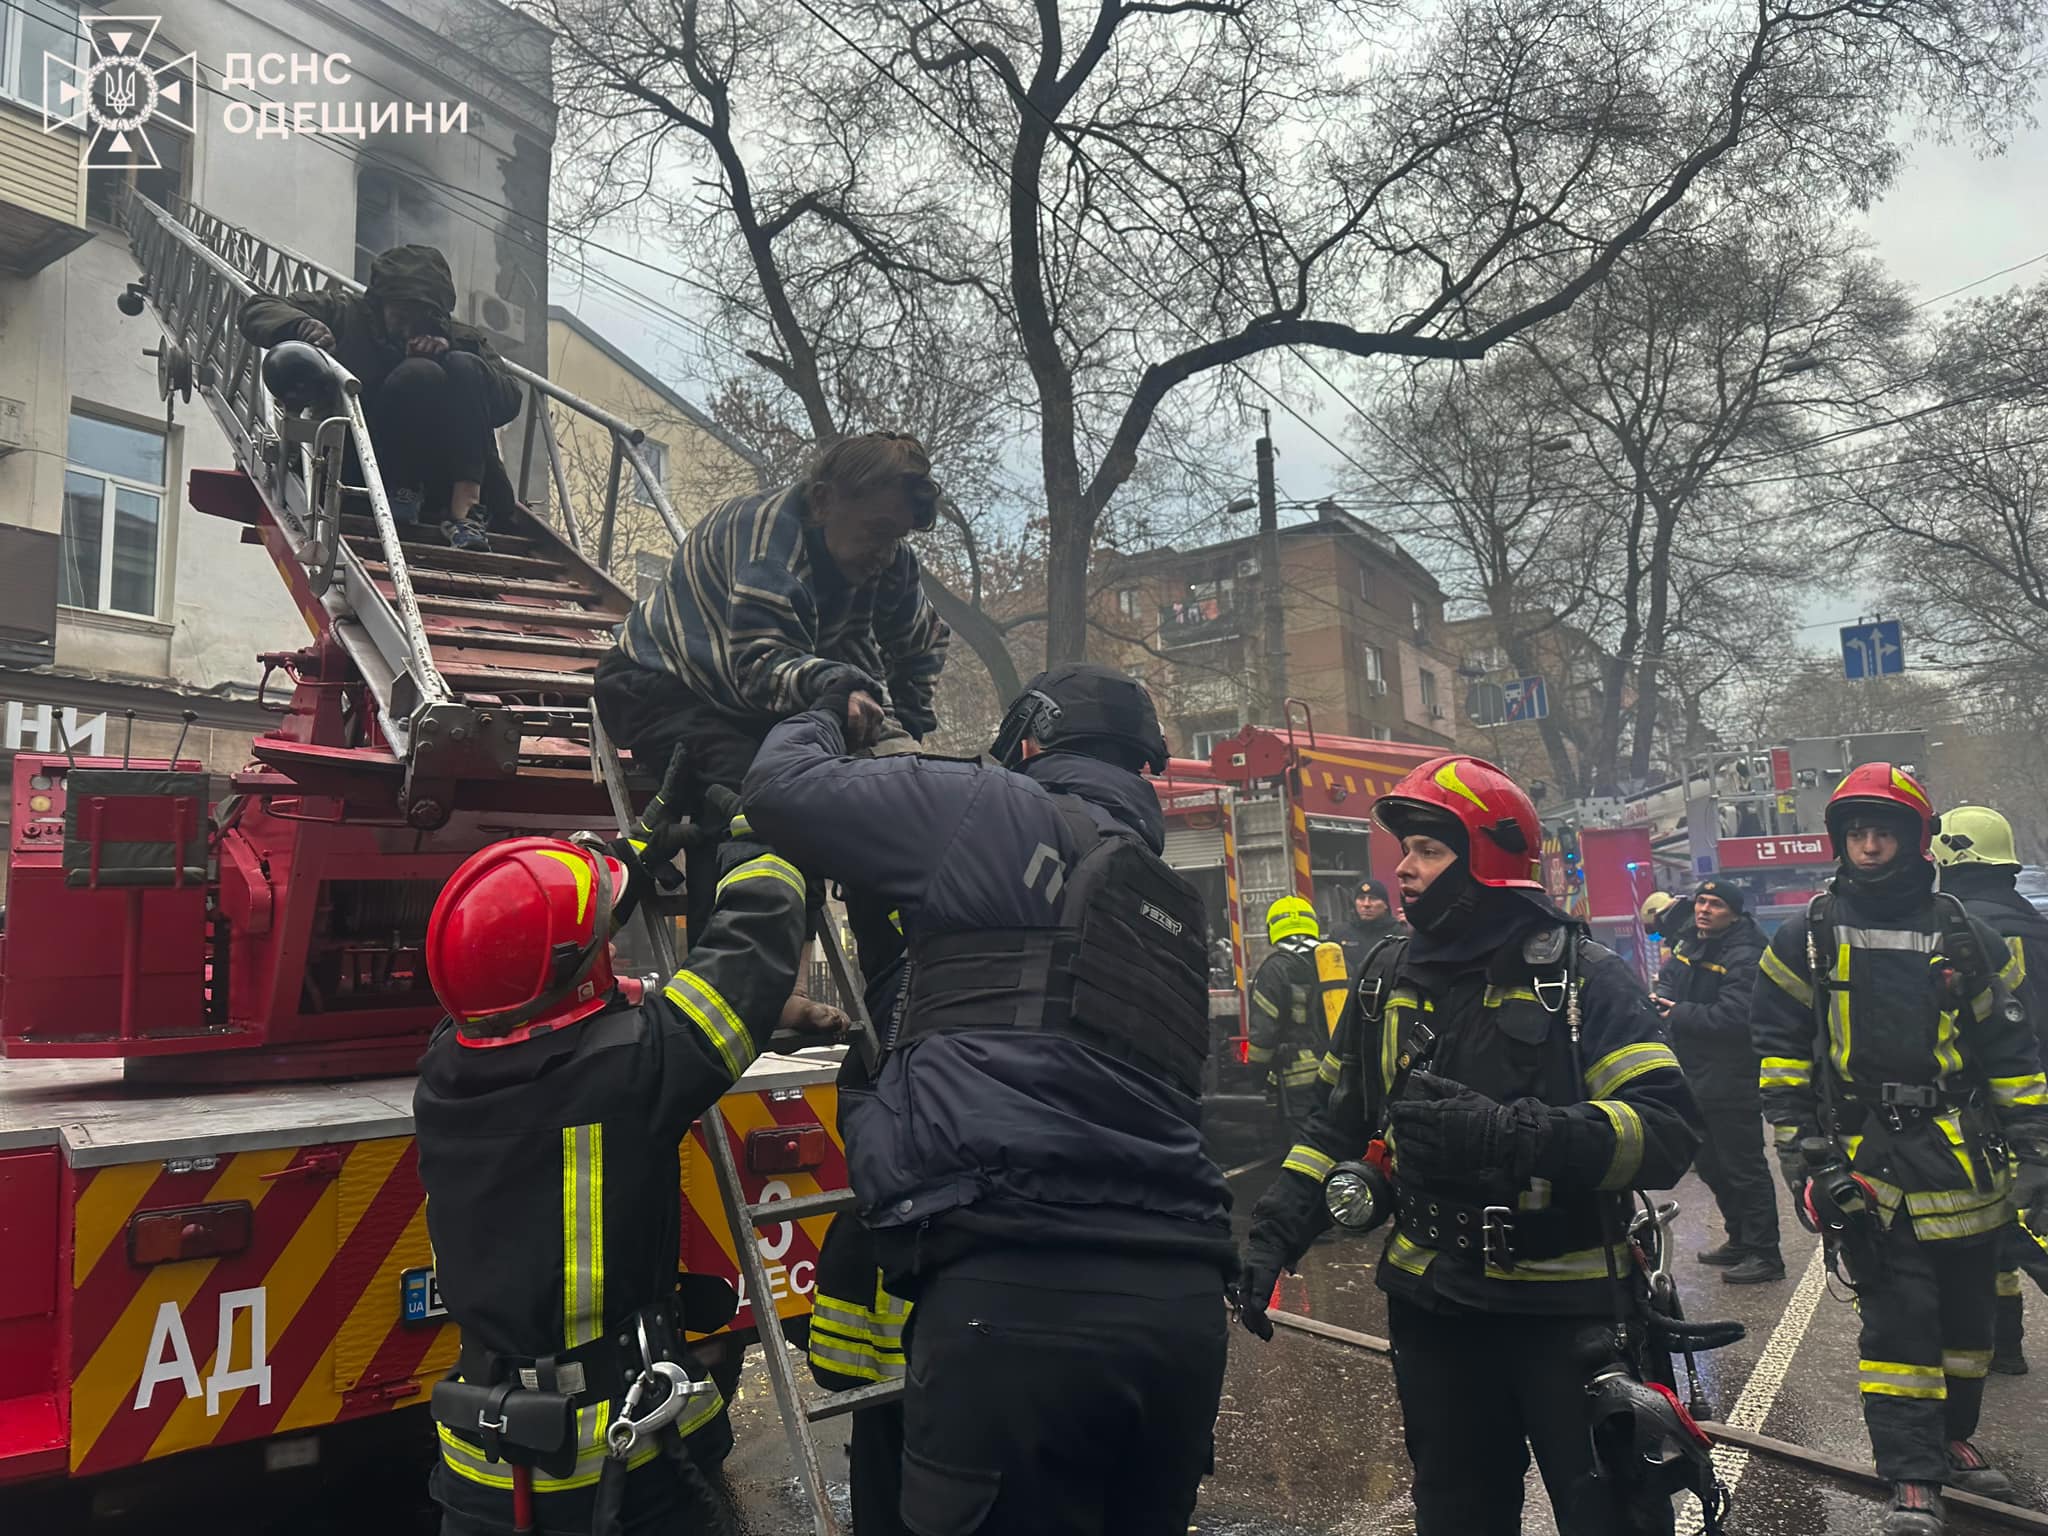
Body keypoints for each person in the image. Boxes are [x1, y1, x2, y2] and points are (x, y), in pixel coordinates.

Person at [743, 662, 1234, 1536]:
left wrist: (824, 709)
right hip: (1181, 1314)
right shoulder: (1164, 901)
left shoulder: (992, 806)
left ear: (1030, 740)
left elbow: (783, 792)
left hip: (1018, 1298)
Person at [1241, 754, 1701, 1536]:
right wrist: (1273, 1232)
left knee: (1611, 1519)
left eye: (1428, 850)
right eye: (1404, 852)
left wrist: (1513, 1134)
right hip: (1436, 1308)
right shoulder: (1385, 976)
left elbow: (1665, 1132)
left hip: (1570, 1313)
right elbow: (1336, 1123)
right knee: (1456, 1514)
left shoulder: (1583, 978)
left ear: (1487, 858)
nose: (1404, 871)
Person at [413, 819, 838, 1535]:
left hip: (481, 1471)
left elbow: (547, 968)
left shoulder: (446, 1065)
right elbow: (748, 958)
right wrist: (754, 833)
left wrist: (635, 845)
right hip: (622, 1473)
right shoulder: (626, 1073)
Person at [1751, 765, 2048, 1535]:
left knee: (1967, 1329)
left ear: (1915, 839)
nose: (1870, 845)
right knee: (1898, 1327)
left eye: (1884, 831)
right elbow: (1780, 1061)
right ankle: (1912, 1478)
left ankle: (1952, 1437)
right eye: (1857, 832)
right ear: (1840, 839)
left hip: (1962, 1163)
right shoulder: (1806, 934)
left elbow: (2012, 1053)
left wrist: (2036, 1150)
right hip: (1865, 1167)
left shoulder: (1966, 935)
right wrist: (1806, 1163)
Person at [592, 431, 950, 957]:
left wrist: (908, 730)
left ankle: (839, 974)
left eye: (896, 537)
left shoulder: (888, 560)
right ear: (825, 499)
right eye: (877, 531)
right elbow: (760, 667)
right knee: (757, 791)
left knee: (870, 787)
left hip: (760, 692)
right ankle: (736, 970)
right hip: (658, 684)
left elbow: (923, 643)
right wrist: (839, 686)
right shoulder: (766, 543)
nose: (884, 552)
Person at [239, 244, 518, 551]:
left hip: (442, 477)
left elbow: (509, 401)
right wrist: (302, 326)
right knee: (418, 374)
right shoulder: (343, 313)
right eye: (402, 311)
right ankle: (402, 494)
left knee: (459, 366)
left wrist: (451, 359)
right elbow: (258, 308)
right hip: (356, 469)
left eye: (423, 314)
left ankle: (466, 511)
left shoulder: (461, 339)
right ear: (380, 302)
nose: (410, 324)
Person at [1932, 806, 2048, 1375]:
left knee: (2013, 1226)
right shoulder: (2036, 925)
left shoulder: (1959, 935)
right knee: (2000, 1231)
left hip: (1997, 1107)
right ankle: (2005, 1346)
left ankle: (2004, 1342)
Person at [1655, 879, 1782, 1284]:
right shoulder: (1689, 942)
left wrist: (1678, 1013)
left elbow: (1735, 1017)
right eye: (1701, 901)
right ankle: (1740, 1239)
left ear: (1735, 913)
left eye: (1715, 904)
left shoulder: (1746, 954)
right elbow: (1667, 985)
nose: (1704, 909)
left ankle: (1766, 1254)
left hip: (1731, 1076)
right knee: (1709, 1163)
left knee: (1743, 1167)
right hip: (1693, 1074)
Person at [1249, 896, 1332, 1123]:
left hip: (1299, 1079)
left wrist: (1255, 1077)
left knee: (1305, 1146)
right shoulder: (1334, 961)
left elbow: (1264, 1033)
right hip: (1339, 1071)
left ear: (1272, 929)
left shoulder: (1275, 969)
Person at [1339, 876, 1406, 974]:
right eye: (1361, 898)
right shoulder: (1339, 933)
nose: (1366, 904)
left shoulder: (1400, 933)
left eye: (1373, 899)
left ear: (1386, 905)